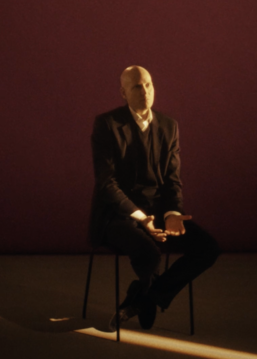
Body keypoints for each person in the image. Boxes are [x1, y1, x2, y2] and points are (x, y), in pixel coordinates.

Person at [89, 65, 220, 331]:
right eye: (137, 86)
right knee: (149, 252)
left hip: (158, 210)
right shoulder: (107, 124)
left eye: (148, 84)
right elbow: (107, 183)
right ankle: (147, 297)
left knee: (208, 248)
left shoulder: (169, 126)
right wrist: (140, 218)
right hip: (118, 215)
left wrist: (172, 215)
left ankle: (145, 297)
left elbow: (172, 180)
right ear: (123, 93)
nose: (145, 91)